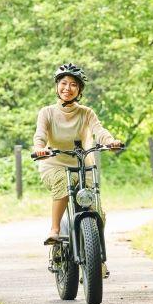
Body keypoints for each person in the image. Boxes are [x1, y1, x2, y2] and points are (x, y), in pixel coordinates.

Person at [33, 63, 122, 247]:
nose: (68, 88)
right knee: (64, 185)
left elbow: (100, 131)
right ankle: (55, 230)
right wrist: (40, 148)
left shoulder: (86, 113)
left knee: (97, 211)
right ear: (57, 86)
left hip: (83, 166)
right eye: (64, 83)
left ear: (79, 89)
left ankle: (98, 260)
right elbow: (40, 135)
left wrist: (110, 141)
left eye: (73, 84)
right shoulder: (47, 112)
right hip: (54, 165)